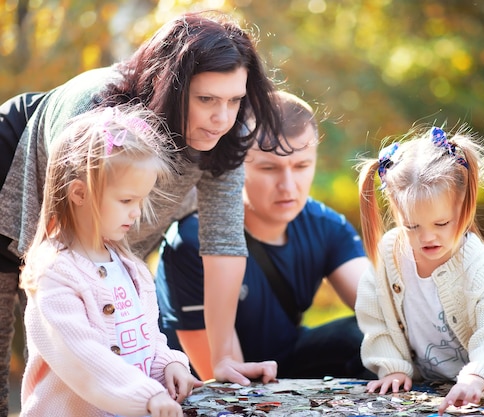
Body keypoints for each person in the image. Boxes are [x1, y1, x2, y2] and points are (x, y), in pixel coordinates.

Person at [0, 10, 284, 415]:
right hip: (20, 173)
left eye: (235, 100)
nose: (223, 118)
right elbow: (63, 241)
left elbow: (222, 242)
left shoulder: (228, 134)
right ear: (172, 88)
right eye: (206, 99)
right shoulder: (100, 112)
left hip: (97, 225)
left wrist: (220, 357)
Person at [156, 91, 373, 380]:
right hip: (202, 388)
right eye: (269, 168)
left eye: (301, 166)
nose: (288, 186)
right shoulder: (192, 241)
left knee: (367, 338)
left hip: (286, 361)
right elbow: (225, 380)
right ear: (234, 166)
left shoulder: (325, 225)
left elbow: (380, 307)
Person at [19, 104, 202, 416]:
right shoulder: (56, 273)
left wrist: (169, 364)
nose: (136, 212)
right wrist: (146, 396)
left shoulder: (131, 268)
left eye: (141, 200)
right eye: (126, 200)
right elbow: (82, 356)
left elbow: (148, 337)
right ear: (79, 193)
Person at [355, 125, 484, 415]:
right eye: (411, 226)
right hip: (425, 389)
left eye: (441, 224)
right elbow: (375, 319)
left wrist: (477, 377)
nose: (427, 237)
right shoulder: (388, 255)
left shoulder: (477, 264)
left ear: (464, 206)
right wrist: (392, 368)